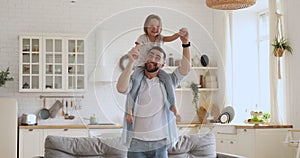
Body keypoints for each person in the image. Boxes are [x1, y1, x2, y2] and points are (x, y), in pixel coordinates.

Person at [116, 29, 190, 158]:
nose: (153, 59)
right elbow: (121, 88)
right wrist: (131, 62)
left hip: (160, 144)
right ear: (145, 59)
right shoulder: (136, 80)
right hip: (136, 143)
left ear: (162, 64)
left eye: (157, 57)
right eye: (150, 55)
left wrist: (185, 44)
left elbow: (185, 69)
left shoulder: (169, 81)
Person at [132, 14, 186, 122]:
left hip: (156, 68)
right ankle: (131, 109)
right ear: (146, 27)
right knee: (136, 82)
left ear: (160, 28)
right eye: (151, 26)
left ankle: (174, 106)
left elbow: (170, 38)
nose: (154, 28)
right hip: (141, 66)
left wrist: (179, 34)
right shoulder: (143, 38)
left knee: (168, 81)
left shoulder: (160, 38)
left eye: (157, 26)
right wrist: (135, 51)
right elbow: (137, 46)